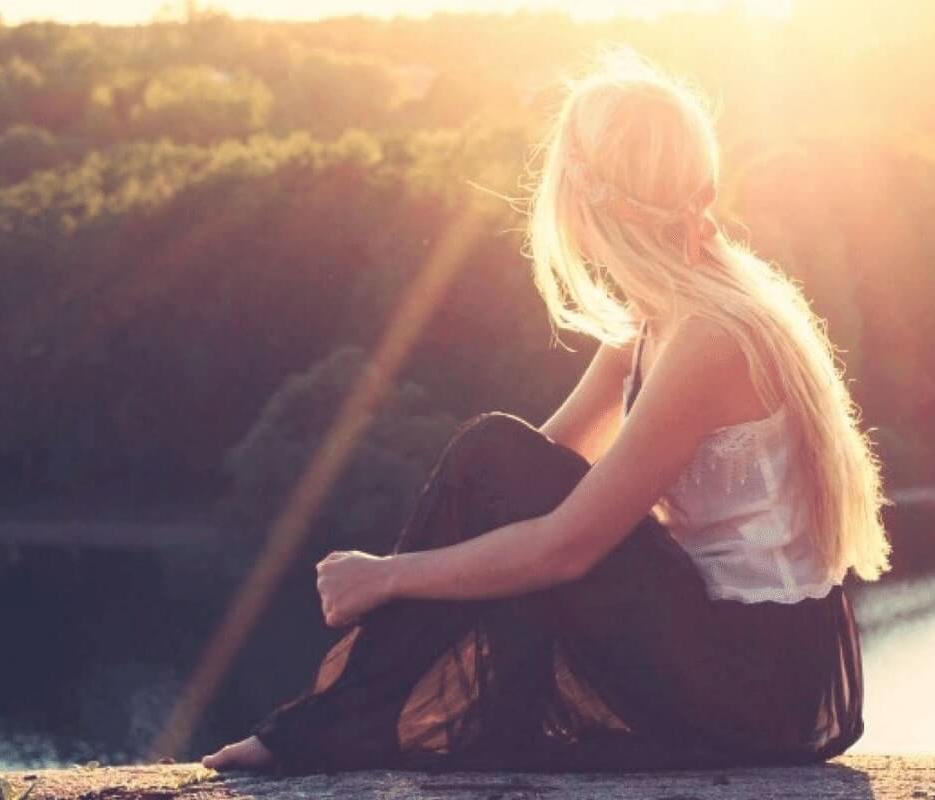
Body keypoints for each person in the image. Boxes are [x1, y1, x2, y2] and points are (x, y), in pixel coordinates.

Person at [201, 50, 891, 775]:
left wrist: (390, 576)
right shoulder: (658, 317)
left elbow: (568, 544)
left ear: (587, 198)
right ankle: (342, 724)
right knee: (491, 452)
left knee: (494, 458)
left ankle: (332, 727)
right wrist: (416, 566)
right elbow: (518, 478)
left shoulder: (709, 338)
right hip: (741, 660)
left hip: (758, 684)